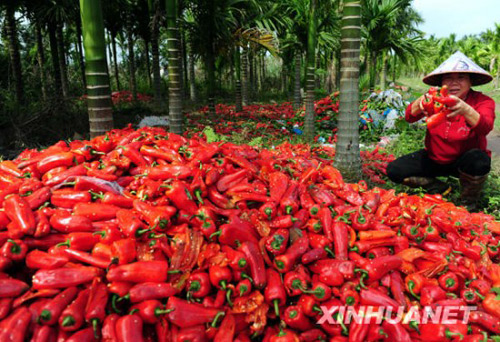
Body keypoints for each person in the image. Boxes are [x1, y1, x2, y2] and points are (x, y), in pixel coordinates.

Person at [386, 51, 496, 211]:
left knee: (479, 160)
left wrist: (465, 109)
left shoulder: (483, 101)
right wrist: (419, 104)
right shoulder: (434, 99)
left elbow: (485, 127)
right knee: (394, 170)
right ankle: (438, 187)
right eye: (449, 78)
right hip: (435, 158)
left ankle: (468, 202)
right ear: (441, 82)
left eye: (461, 77)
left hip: (463, 162)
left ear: (470, 82)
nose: (454, 83)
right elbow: (409, 117)